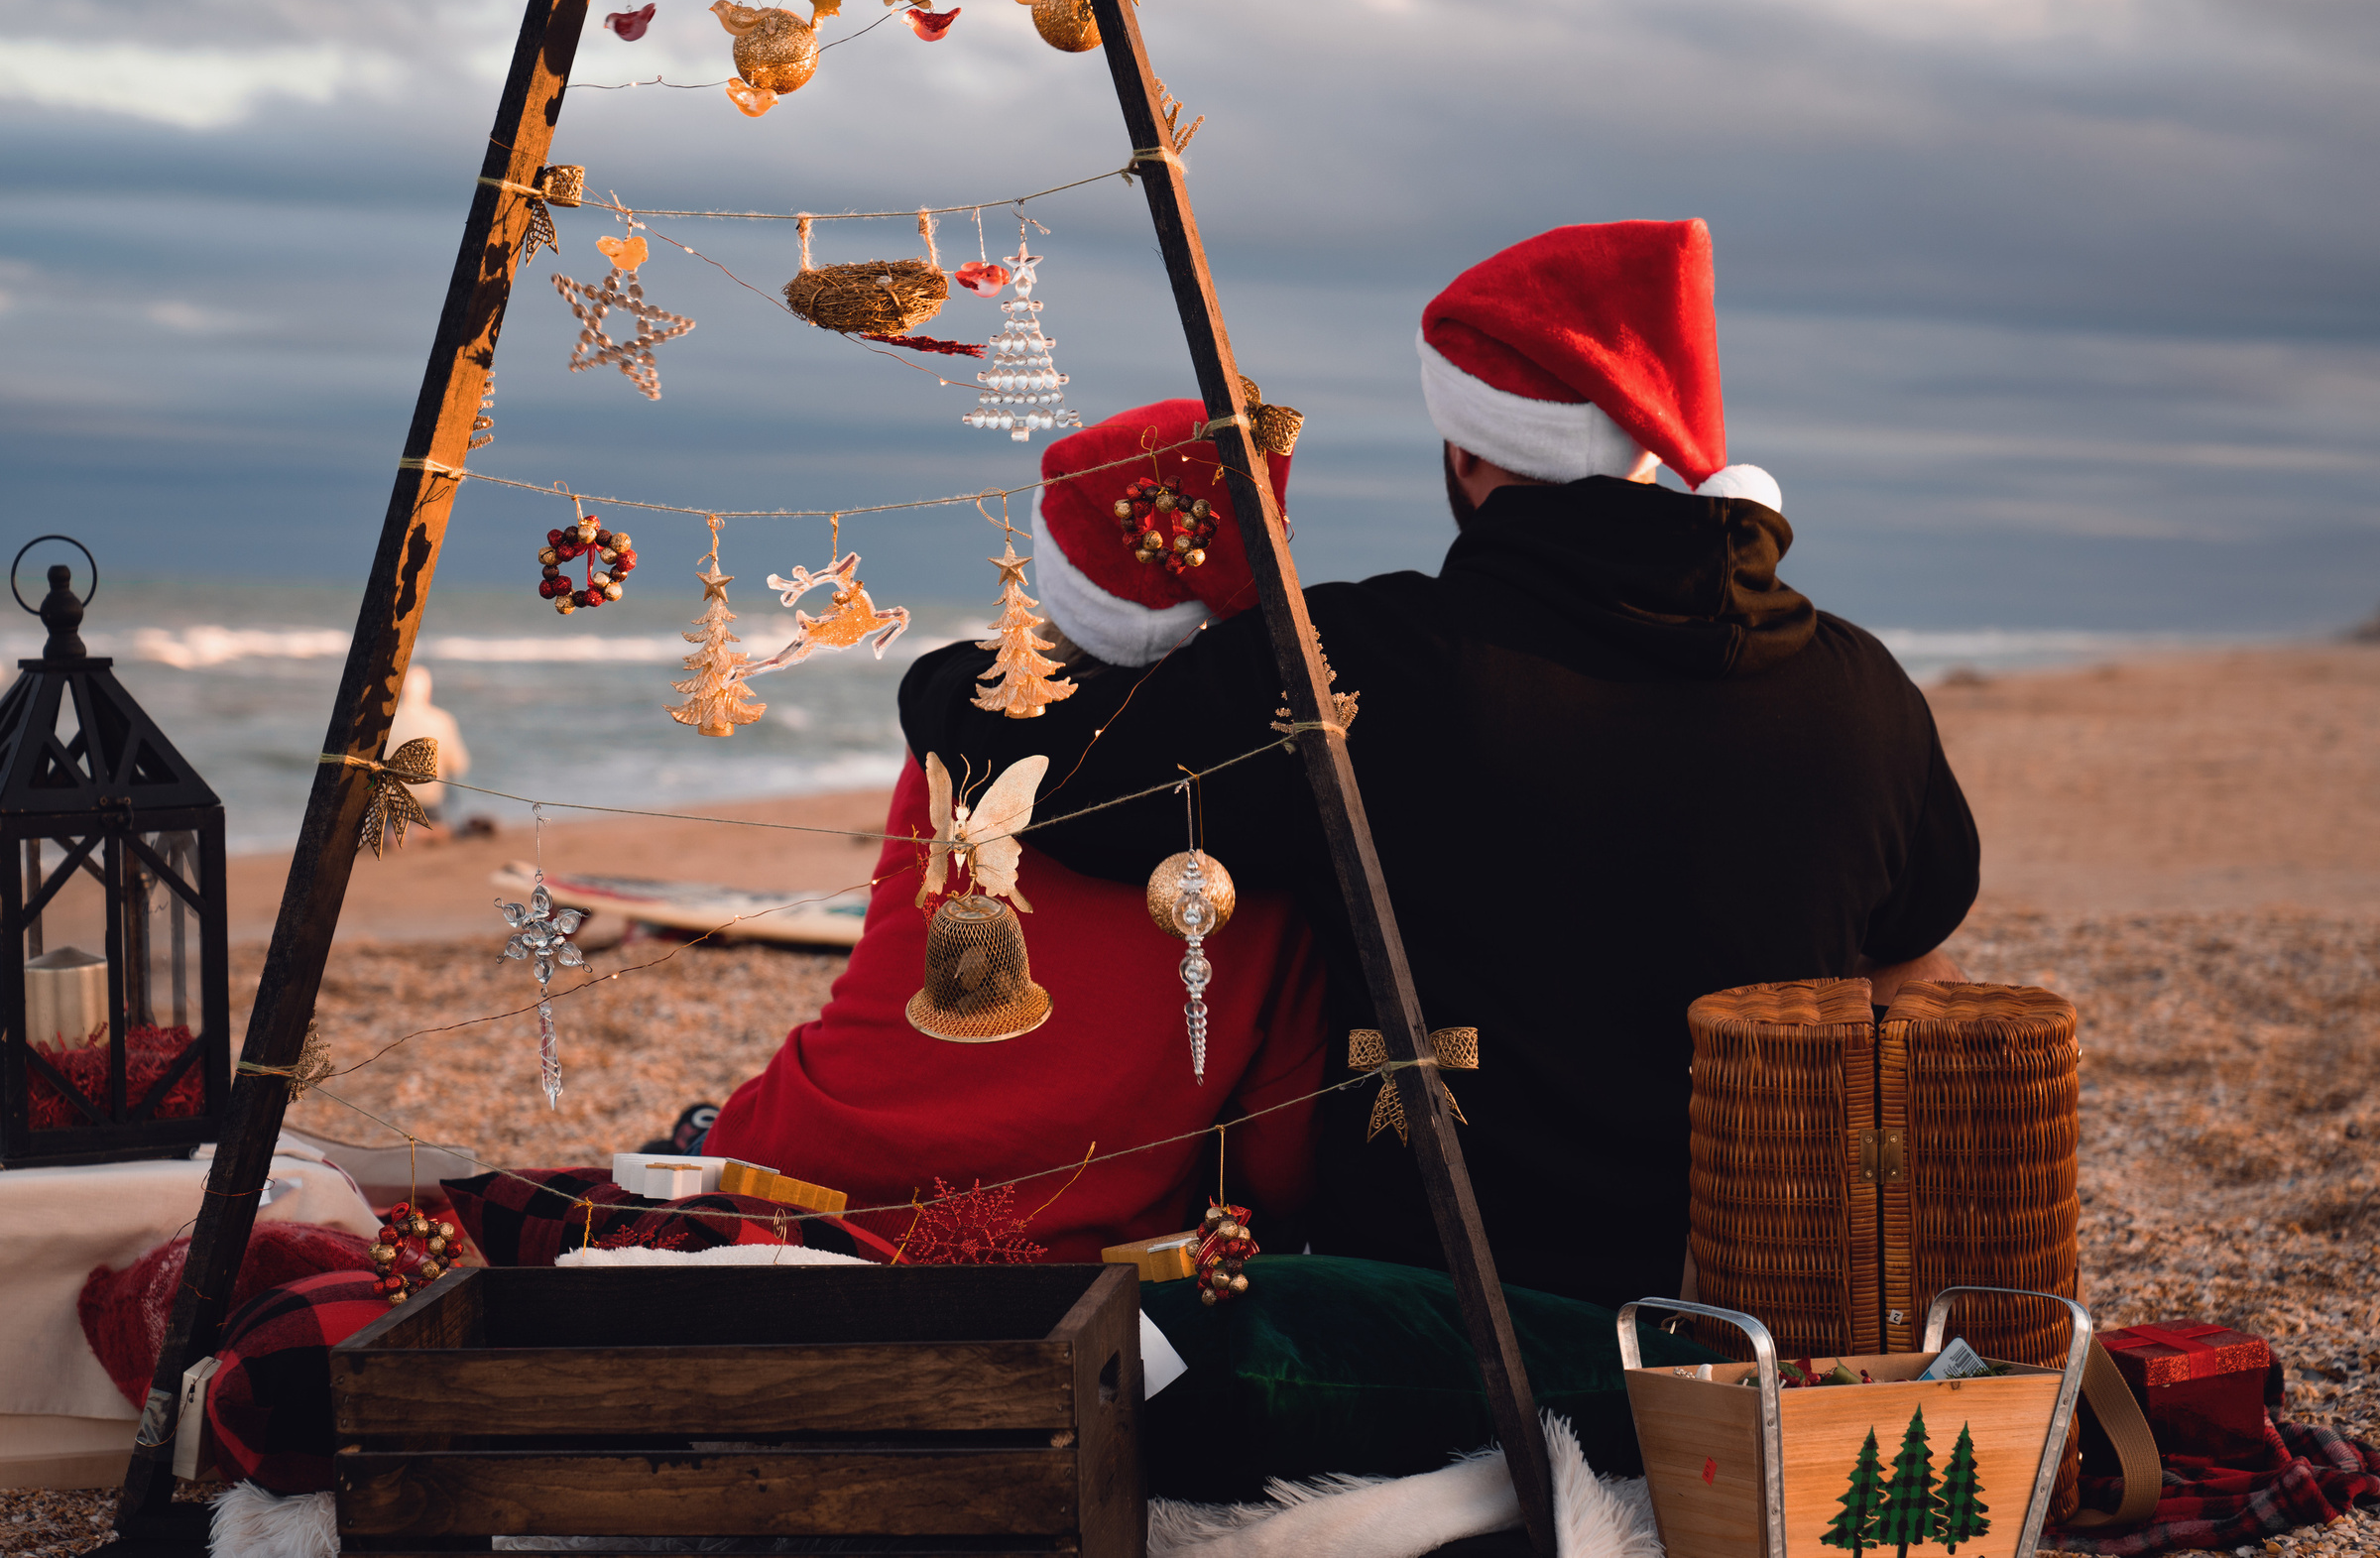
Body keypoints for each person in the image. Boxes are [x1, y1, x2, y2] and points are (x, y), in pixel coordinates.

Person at [898, 220, 1980, 1308]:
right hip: (1770, 1309)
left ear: (1466, 448)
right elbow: (1912, 957)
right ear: (1649, 450)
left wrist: (943, 677)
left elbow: (1066, 770)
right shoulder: (1862, 684)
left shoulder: (1373, 664)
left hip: (1447, 1330)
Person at [695, 400, 1330, 1259]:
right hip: (1072, 1241)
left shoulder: (958, 744)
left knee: (701, 1143)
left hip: (805, 1175)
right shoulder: (1279, 813)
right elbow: (1282, 1161)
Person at [383, 665, 470, 833]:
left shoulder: (386, 723)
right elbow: (458, 766)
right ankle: (428, 832)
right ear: (428, 692)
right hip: (429, 806)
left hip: (392, 804)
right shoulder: (443, 721)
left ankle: (401, 833)